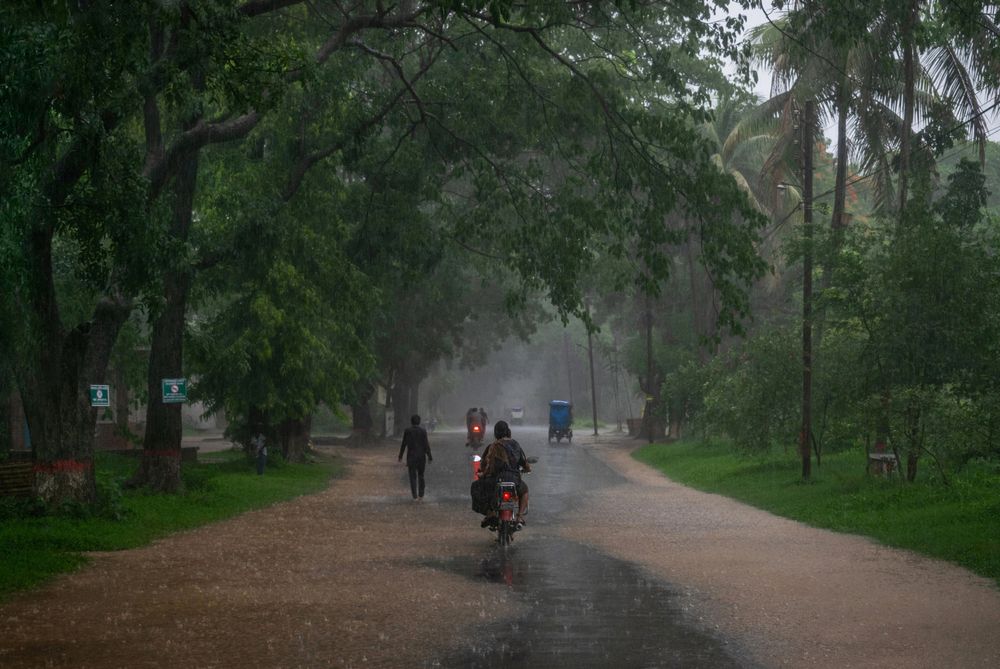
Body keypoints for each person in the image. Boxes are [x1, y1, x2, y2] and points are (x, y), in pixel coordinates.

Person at [478, 420, 530, 529]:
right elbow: (523, 462)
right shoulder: (515, 444)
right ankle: (520, 516)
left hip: (497, 480)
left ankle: (490, 513)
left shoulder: (493, 446)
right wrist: (527, 468)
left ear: (495, 433)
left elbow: (487, 466)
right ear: (508, 431)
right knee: (524, 491)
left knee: (480, 488)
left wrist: (482, 474)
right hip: (514, 480)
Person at [398, 414, 432, 500]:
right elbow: (426, 445)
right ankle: (421, 494)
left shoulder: (407, 431)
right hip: (421, 457)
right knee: (421, 475)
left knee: (412, 477)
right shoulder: (423, 431)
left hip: (411, 457)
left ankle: (414, 496)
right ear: (419, 422)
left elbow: (404, 444)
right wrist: (429, 456)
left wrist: (400, 456)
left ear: (411, 421)